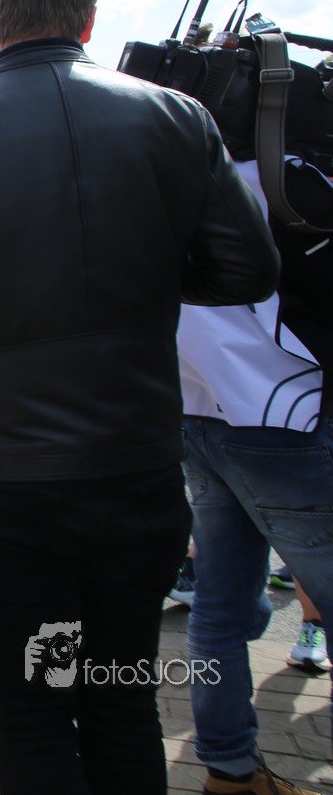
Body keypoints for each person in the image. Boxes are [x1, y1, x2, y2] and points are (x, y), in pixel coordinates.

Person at [0, 0, 279, 795]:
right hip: (137, 466)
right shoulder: (176, 117)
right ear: (88, 20)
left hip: (9, 480)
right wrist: (146, 285)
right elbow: (249, 267)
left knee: (33, 711)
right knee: (122, 700)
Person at [177, 148, 332, 795]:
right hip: (285, 414)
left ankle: (228, 773)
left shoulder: (161, 178)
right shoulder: (283, 178)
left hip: (198, 410)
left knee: (218, 605)